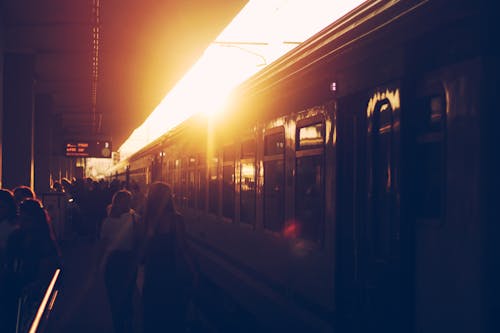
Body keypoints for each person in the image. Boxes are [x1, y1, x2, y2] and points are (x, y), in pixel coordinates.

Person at [141, 182, 198, 333]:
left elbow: (141, 253)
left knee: (153, 320)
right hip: (171, 276)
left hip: (152, 276)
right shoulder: (175, 219)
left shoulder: (145, 219)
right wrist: (193, 273)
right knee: (173, 320)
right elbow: (181, 250)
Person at [100, 189, 141, 333]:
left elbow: (103, 246)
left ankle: (118, 325)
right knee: (128, 295)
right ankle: (128, 323)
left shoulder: (107, 221)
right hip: (129, 261)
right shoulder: (136, 218)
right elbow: (139, 240)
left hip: (112, 262)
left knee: (114, 296)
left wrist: (100, 265)